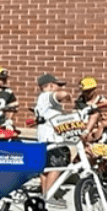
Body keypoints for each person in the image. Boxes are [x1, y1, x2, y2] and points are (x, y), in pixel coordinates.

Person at [33, 73, 73, 202]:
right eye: (57, 86)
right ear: (49, 86)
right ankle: (50, 195)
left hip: (44, 137)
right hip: (52, 137)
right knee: (57, 166)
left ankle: (45, 194)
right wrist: (67, 96)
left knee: (46, 168)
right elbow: (61, 95)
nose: (59, 88)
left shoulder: (41, 98)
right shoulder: (47, 96)